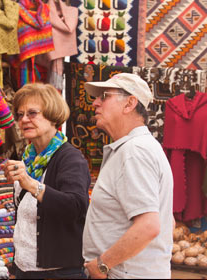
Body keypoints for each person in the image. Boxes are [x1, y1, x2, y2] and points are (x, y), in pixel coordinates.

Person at [83, 73, 174, 279]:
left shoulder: (135, 151)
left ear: (129, 103)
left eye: (104, 95)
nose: (95, 103)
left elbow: (148, 225)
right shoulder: (137, 148)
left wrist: (102, 265)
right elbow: (168, 220)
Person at [1, 82, 91, 279]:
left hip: (57, 272)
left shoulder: (70, 158)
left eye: (32, 113)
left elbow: (76, 207)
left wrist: (30, 184)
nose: (24, 119)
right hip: (26, 268)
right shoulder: (29, 157)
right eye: (19, 114)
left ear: (52, 116)